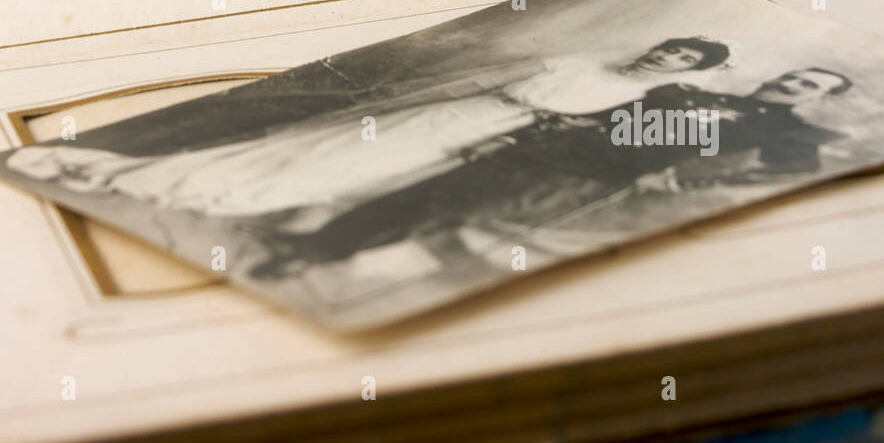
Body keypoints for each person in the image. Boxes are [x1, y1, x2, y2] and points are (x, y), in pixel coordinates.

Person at [0, 35, 721, 224]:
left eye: (683, 57)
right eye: (672, 46)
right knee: (318, 142)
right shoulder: (584, 59)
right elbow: (489, 82)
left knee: (348, 171)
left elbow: (565, 130)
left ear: (690, 69)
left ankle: (222, 197)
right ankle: (130, 174)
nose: (667, 55)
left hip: (477, 138)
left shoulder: (645, 102)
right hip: (454, 111)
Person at [248, 61, 848, 279]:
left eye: (810, 85)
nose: (795, 83)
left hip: (587, 180)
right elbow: (615, 111)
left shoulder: (787, 129)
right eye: (799, 73)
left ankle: (316, 256)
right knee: (428, 190)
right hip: (547, 150)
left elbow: (781, 175)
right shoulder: (685, 86)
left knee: (442, 209)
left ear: (814, 99)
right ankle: (318, 242)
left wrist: (684, 181)